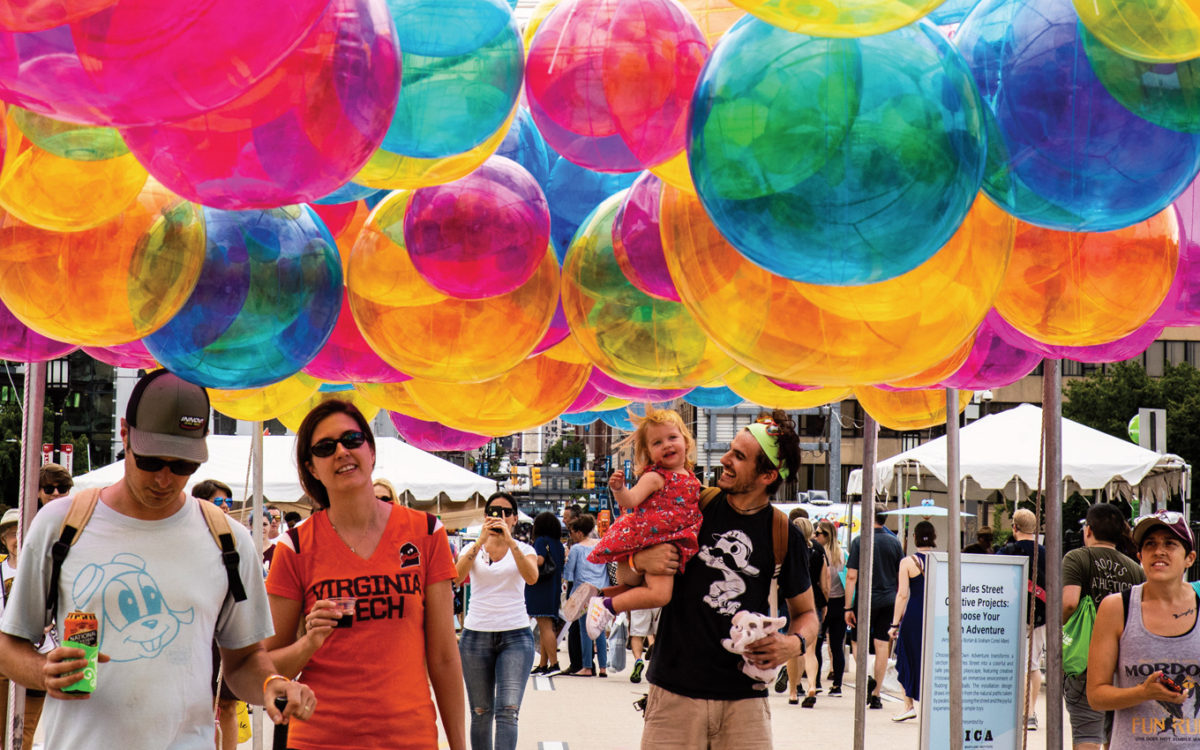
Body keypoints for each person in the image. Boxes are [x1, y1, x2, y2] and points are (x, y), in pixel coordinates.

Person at [0, 369, 312, 748]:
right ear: (126, 433)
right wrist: (42, 671)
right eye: (151, 461)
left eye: (183, 466)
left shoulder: (229, 540)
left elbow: (244, 661)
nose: (165, 479)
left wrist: (270, 684)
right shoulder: (61, 524)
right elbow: (8, 646)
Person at [265, 399, 465, 750]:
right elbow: (266, 664)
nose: (342, 451)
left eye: (352, 439)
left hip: (409, 737)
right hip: (318, 738)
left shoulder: (426, 532)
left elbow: (444, 657)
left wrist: (460, 745)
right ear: (311, 468)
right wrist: (309, 642)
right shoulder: (294, 547)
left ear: (371, 451)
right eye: (326, 448)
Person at [625, 410, 819, 748]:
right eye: (729, 449)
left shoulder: (784, 533)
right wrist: (639, 560)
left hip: (745, 703)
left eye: (739, 456)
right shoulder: (692, 505)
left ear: (767, 475)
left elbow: (807, 614)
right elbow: (618, 574)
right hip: (673, 697)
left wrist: (792, 645)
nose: (725, 460)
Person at [570, 408, 704, 641]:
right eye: (657, 442)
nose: (667, 445)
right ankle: (607, 605)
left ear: (686, 440)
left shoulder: (691, 477)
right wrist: (619, 489)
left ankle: (601, 594)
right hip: (655, 541)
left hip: (669, 542)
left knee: (642, 586)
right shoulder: (655, 477)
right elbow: (631, 501)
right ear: (649, 453)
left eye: (672, 438)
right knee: (660, 595)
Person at [1086, 510, 1198, 748]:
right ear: (1139, 555)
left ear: (1190, 558)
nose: (1159, 551)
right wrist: (1144, 692)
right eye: (1150, 544)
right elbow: (1096, 696)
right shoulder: (1117, 608)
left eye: (1170, 543)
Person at [453, 492, 538, 750]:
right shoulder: (472, 548)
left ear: (513, 518)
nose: (497, 516)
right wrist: (480, 541)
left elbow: (532, 577)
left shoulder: (524, 550)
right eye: (492, 511)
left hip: (515, 634)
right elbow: (455, 577)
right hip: (476, 634)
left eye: (504, 512)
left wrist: (510, 541)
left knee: (508, 710)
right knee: (480, 711)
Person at [1062, 502, 1145, 750]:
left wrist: (1064, 627)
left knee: (1087, 733)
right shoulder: (1135, 569)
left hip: (1086, 660)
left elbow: (1069, 603)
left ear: (1088, 530)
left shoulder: (1077, 557)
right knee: (1115, 735)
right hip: (1122, 662)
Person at [192, 478, 239, 749]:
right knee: (201, 704)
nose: (225, 508)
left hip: (230, 629)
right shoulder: (188, 540)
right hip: (199, 631)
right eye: (218, 502)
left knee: (229, 704)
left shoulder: (237, 539)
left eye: (228, 502)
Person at [844, 508, 905, 710]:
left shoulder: (860, 541)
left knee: (857, 643)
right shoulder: (894, 542)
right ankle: (877, 693)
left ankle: (866, 678)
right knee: (881, 647)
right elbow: (900, 576)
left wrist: (847, 606)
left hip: (865, 600)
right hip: (889, 600)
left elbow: (851, 576)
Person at [0, 508, 48, 749]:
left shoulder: (44, 569)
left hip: (36, 653)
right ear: (3, 539)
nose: (17, 539)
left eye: (21, 532)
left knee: (25, 728)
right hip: (3, 657)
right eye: (11, 534)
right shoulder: (0, 571)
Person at [998, 508, 1047, 730]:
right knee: (1033, 663)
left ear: (1014, 527)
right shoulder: (1047, 552)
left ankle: (1011, 711)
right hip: (1040, 615)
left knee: (1010, 662)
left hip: (1010, 614)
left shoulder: (1006, 552)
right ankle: (1030, 713)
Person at [890, 520, 936, 722]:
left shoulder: (907, 563)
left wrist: (894, 624)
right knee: (931, 658)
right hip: (935, 613)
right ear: (934, 538)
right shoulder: (941, 560)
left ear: (914, 538)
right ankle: (931, 702)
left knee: (906, 655)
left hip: (914, 614)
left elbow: (902, 595)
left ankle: (908, 704)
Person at [787, 516, 828, 708]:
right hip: (814, 600)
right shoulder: (818, 549)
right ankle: (812, 685)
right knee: (810, 650)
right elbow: (824, 580)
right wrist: (825, 602)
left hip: (791, 599)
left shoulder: (788, 547)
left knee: (793, 649)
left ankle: (794, 691)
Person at [563, 514, 610, 677]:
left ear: (579, 533)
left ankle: (587, 666)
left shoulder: (576, 549)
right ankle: (603, 667)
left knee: (585, 630)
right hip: (602, 590)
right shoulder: (601, 545)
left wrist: (566, 558)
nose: (571, 536)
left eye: (572, 532)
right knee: (600, 628)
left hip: (583, 592)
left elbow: (568, 574)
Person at [525, 510, 565, 676]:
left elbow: (540, 560)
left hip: (541, 587)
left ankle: (554, 663)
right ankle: (543, 664)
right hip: (553, 587)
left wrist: (526, 559)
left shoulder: (541, 541)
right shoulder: (559, 544)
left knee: (545, 626)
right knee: (545, 626)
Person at [814, 518, 847, 697]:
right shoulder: (842, 555)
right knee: (837, 646)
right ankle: (837, 685)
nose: (815, 536)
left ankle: (817, 681)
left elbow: (823, 583)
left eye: (818, 533)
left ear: (826, 536)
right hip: (841, 603)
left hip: (824, 602)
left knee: (818, 643)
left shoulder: (821, 554)